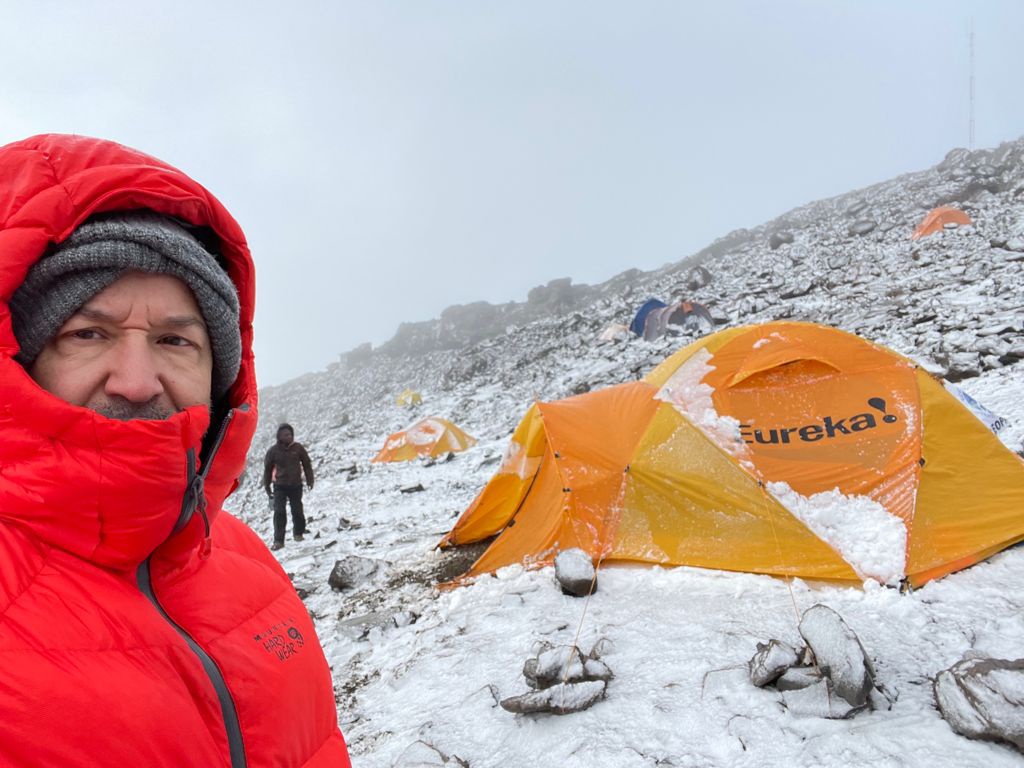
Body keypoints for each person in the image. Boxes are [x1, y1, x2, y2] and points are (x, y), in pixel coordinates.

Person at [0, 134, 351, 767]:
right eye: (88, 333)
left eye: (174, 340)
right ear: (21, 360)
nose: (136, 382)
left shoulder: (247, 562)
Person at [263, 423, 315, 549]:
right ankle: (278, 541)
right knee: (279, 512)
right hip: (279, 486)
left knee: (297, 510)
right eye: (286, 435)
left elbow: (307, 464)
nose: (289, 437)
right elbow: (267, 469)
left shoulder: (298, 448)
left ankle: (298, 533)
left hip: (296, 485)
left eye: (290, 434)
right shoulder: (273, 451)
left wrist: (310, 480)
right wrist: (267, 486)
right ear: (279, 437)